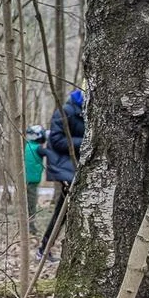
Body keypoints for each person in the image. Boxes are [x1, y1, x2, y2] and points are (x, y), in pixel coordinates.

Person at [36, 88, 85, 263]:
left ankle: (46, 248)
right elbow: (56, 140)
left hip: (79, 167)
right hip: (65, 168)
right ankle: (44, 249)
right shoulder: (65, 112)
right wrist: (86, 141)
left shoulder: (88, 111)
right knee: (62, 212)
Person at [24, 125, 47, 235]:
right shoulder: (38, 148)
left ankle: (27, 226)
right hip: (31, 181)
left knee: (26, 204)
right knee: (31, 205)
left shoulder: (26, 146)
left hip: (24, 179)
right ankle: (31, 228)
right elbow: (50, 154)